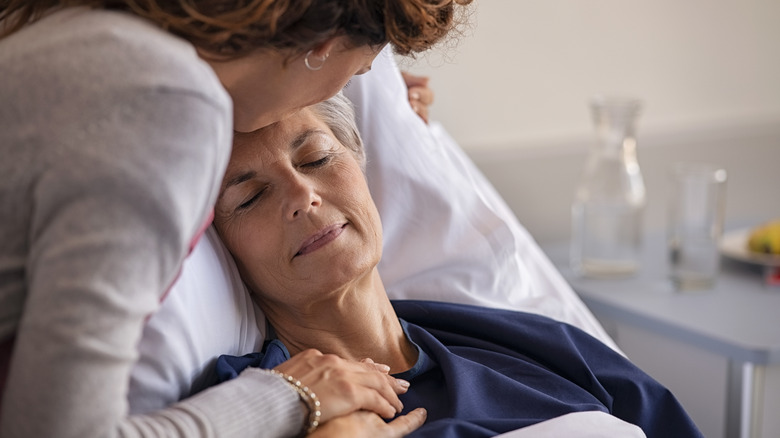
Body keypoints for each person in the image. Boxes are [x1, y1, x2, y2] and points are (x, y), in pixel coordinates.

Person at [0, 1, 472, 437]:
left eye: (318, 158)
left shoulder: (84, 41)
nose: (304, 198)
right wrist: (290, 396)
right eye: (359, 71)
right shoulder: (164, 108)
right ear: (321, 48)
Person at [210, 93, 705, 438]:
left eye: (316, 158)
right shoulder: (252, 405)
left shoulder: (535, 346)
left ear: (360, 166)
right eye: (250, 198)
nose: (303, 195)